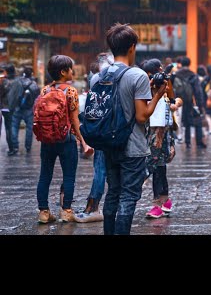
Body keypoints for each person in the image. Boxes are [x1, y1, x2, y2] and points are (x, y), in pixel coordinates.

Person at [92, 23, 167, 235]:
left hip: (108, 143)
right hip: (132, 145)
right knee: (128, 195)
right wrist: (158, 95)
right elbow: (142, 116)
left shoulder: (99, 76)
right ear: (132, 47)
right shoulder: (138, 76)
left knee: (113, 191)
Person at [36, 55, 93, 224]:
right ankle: (66, 211)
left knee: (45, 175)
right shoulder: (71, 91)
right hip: (66, 140)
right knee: (69, 176)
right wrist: (82, 141)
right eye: (70, 69)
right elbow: (75, 120)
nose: (72, 72)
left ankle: (44, 212)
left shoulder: (45, 90)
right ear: (63, 72)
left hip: (47, 139)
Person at [74, 52, 114, 223]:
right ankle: (102, 205)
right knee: (107, 169)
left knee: (101, 169)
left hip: (100, 128)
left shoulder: (95, 78)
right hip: (113, 128)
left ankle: (94, 206)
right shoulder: (117, 76)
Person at [141, 59, 180, 219]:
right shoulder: (145, 87)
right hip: (150, 134)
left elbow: (175, 101)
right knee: (159, 168)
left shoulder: (166, 87)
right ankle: (165, 201)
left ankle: (157, 205)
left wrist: (174, 100)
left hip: (161, 136)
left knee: (157, 168)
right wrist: (150, 86)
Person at [173, 56, 207, 149]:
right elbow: (198, 91)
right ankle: (199, 142)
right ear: (189, 64)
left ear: (181, 64)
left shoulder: (176, 74)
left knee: (186, 122)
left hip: (179, 102)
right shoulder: (193, 75)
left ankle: (187, 142)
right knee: (198, 121)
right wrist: (200, 105)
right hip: (191, 101)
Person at [8, 66, 38, 154]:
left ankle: (15, 146)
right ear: (31, 74)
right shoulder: (34, 84)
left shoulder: (17, 82)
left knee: (14, 127)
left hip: (18, 108)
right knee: (29, 129)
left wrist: (11, 107)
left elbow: (12, 95)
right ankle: (28, 147)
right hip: (29, 109)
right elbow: (37, 98)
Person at [1, 64, 19, 155]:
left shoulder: (5, 81)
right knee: (13, 126)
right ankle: (14, 146)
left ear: (7, 72)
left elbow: (1, 94)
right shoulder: (17, 81)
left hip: (5, 108)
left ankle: (11, 147)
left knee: (8, 127)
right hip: (15, 107)